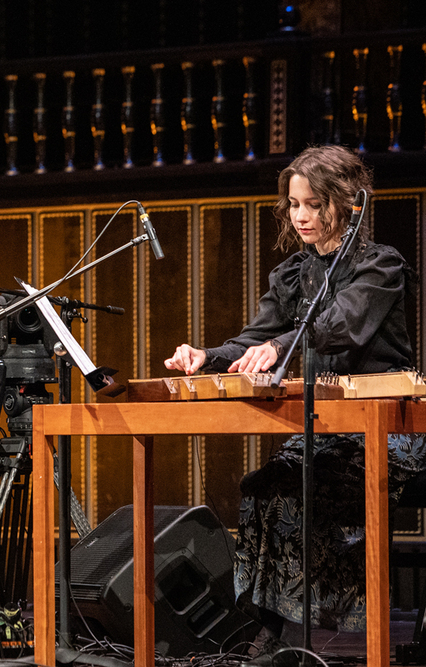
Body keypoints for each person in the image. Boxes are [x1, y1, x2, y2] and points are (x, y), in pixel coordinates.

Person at [164, 145, 425, 664]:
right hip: (327, 432)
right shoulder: (292, 275)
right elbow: (251, 340)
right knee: (263, 488)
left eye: (313, 204)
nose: (300, 216)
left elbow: (342, 326)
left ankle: (333, 632)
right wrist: (207, 355)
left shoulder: (380, 267)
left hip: (392, 433)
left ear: (347, 204)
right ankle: (268, 636)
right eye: (293, 205)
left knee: (301, 489)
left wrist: (281, 346)